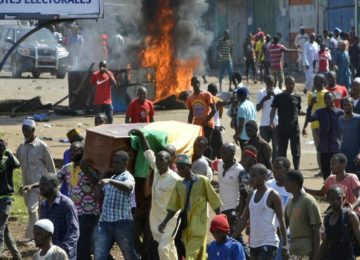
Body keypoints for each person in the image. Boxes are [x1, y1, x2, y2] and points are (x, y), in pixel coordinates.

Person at [129, 129, 181, 260]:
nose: (157, 162)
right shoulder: (157, 171)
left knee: (162, 248)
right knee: (168, 247)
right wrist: (141, 135)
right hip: (155, 218)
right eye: (157, 160)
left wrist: (167, 220)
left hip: (170, 220)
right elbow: (148, 152)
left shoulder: (175, 179)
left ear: (169, 162)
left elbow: (182, 200)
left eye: (161, 160)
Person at [158, 154, 222, 260]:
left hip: (199, 224)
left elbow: (214, 201)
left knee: (191, 253)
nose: (180, 171)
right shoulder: (179, 184)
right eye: (178, 168)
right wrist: (164, 222)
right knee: (195, 252)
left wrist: (221, 219)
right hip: (185, 224)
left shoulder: (202, 181)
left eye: (182, 168)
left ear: (190, 167)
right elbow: (173, 205)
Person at [232, 164, 289, 260]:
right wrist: (231, 239)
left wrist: (285, 246)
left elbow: (281, 221)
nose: (251, 179)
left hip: (269, 242)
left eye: (254, 176)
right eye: (250, 176)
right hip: (254, 243)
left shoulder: (273, 196)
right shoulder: (251, 195)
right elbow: (243, 220)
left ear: (264, 176)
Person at [93, 151, 139, 259]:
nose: (113, 165)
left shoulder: (127, 177)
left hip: (122, 223)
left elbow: (128, 187)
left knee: (128, 253)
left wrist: (110, 181)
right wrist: (101, 181)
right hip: (105, 222)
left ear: (125, 163)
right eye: (113, 162)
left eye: (117, 162)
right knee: (99, 254)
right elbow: (97, 197)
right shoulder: (112, 177)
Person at [58, 141, 100, 260]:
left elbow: (97, 183)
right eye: (71, 150)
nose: (72, 153)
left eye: (75, 150)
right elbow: (53, 181)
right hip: (74, 213)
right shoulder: (66, 168)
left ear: (83, 152)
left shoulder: (91, 168)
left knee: (83, 245)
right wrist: (35, 185)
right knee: (80, 245)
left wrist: (85, 168)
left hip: (89, 212)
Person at [16, 119, 56, 241]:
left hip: (40, 185)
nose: (24, 133)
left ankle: (34, 238)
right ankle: (43, 234)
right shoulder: (22, 147)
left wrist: (53, 185)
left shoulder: (42, 146)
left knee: (32, 210)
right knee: (36, 210)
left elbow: (51, 168)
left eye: (27, 130)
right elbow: (17, 163)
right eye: (23, 130)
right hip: (26, 185)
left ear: (33, 130)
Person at [38, 174, 79, 260]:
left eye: (44, 184)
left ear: (55, 184)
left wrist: (60, 251)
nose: (41, 187)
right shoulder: (43, 205)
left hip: (64, 255)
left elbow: (74, 231)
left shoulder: (66, 204)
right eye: (40, 184)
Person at [283, 170, 322, 259]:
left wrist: (315, 255)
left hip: (306, 249)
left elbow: (317, 229)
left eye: (286, 181)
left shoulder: (308, 201)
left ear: (294, 183)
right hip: (293, 248)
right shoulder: (289, 202)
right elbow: (284, 225)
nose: (284, 184)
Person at [307, 92, 344, 180]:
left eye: (329, 98)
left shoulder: (340, 113)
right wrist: (310, 105)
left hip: (336, 147)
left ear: (333, 100)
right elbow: (309, 119)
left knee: (337, 172)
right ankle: (327, 191)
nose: (327, 100)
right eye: (325, 98)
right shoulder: (320, 112)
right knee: (326, 174)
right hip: (324, 148)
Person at [316, 187, 360, 260]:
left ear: (343, 198)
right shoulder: (327, 218)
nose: (335, 201)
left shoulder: (350, 216)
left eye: (338, 198)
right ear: (328, 200)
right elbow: (325, 244)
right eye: (332, 199)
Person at [270, 76, 303, 170]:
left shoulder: (297, 97)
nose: (291, 86)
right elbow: (273, 110)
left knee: (296, 152)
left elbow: (298, 110)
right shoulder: (279, 97)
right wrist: (271, 121)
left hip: (294, 129)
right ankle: (283, 170)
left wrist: (302, 113)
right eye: (289, 84)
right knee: (282, 152)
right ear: (285, 84)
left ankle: (297, 170)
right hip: (282, 129)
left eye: (293, 84)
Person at [210, 143, 244, 230]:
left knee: (233, 233)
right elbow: (210, 162)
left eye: (225, 153)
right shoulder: (220, 163)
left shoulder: (239, 170)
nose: (222, 155)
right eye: (221, 153)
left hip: (233, 208)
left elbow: (243, 192)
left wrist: (238, 211)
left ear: (233, 154)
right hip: (221, 207)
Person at [302, 74, 328, 177]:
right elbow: (309, 111)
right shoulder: (312, 95)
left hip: (326, 126)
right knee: (319, 149)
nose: (314, 82)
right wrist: (304, 126)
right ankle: (322, 169)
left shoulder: (327, 94)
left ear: (322, 81)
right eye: (314, 80)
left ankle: (327, 169)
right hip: (315, 126)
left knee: (327, 148)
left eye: (317, 80)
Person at [0, 139, 22, 259]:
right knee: (5, 231)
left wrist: (8, 152)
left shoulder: (8, 160)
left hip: (6, 199)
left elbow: (17, 164)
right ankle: (17, 257)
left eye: (1, 149)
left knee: (0, 228)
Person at [186, 76, 216, 158]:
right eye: (194, 82)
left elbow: (214, 110)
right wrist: (189, 125)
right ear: (191, 84)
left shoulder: (206, 94)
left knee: (207, 144)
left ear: (200, 83)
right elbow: (191, 113)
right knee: (198, 145)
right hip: (197, 125)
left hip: (208, 124)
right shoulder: (190, 98)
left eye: (198, 82)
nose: (196, 84)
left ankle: (209, 163)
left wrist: (206, 120)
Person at [256, 75, 282, 162]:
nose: (270, 85)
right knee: (263, 145)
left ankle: (275, 164)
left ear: (274, 81)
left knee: (276, 146)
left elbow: (282, 106)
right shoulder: (261, 92)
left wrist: (274, 95)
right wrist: (264, 99)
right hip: (264, 123)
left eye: (271, 83)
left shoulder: (279, 92)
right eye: (268, 83)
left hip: (276, 122)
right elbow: (257, 108)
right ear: (265, 83)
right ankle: (265, 162)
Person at [339, 97, 360, 174]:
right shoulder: (340, 119)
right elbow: (340, 137)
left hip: (356, 157)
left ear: (353, 105)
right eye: (344, 105)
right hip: (344, 156)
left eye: (348, 104)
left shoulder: (358, 119)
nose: (346, 106)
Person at [207, 83, 224, 159]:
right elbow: (220, 116)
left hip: (207, 126)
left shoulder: (205, 100)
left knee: (210, 148)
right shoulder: (219, 101)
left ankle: (212, 166)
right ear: (216, 92)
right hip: (216, 126)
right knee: (220, 149)